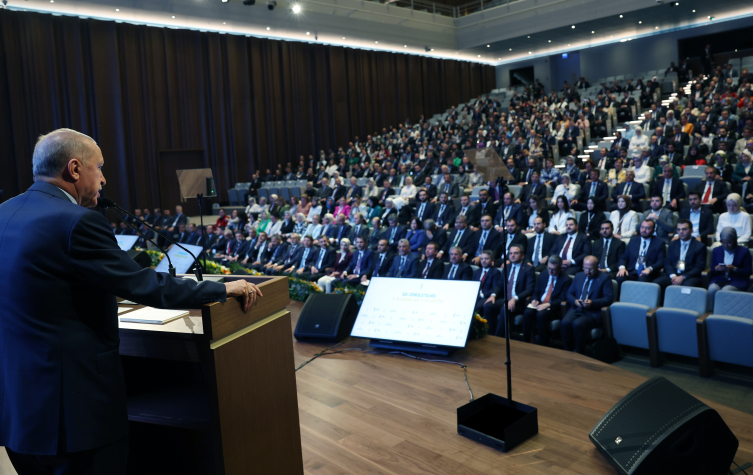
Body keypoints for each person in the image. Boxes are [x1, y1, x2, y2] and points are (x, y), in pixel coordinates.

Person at [0, 128, 260, 474]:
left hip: (18, 410)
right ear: (75, 169)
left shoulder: (4, 213)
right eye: (100, 167)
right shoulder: (77, 222)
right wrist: (222, 288)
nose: (104, 179)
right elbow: (146, 286)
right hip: (75, 413)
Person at [561, 256, 614, 353]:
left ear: (597, 267)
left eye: (590, 269)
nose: (587, 272)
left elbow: (609, 299)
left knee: (578, 324)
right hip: (577, 308)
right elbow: (569, 293)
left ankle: (579, 352)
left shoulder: (605, 278)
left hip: (593, 311)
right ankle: (567, 351)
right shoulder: (578, 276)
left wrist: (592, 303)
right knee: (565, 323)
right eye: (585, 268)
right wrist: (575, 301)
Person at [522, 255, 571, 346]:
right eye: (549, 268)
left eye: (553, 269)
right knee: (527, 313)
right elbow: (536, 292)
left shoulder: (566, 280)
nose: (550, 271)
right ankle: (526, 342)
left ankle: (542, 344)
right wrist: (535, 300)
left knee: (541, 315)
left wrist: (548, 305)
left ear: (560, 268)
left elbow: (562, 299)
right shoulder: (543, 275)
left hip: (553, 308)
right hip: (540, 304)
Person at [707, 227, 753, 311]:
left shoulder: (744, 251)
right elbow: (713, 269)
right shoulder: (717, 250)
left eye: (729, 243)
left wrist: (734, 269)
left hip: (737, 280)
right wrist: (717, 269)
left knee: (726, 290)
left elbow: (748, 271)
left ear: (734, 240)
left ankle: (724, 312)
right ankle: (711, 311)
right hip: (720, 279)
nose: (726, 245)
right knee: (712, 289)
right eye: (723, 242)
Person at [653, 220, 706, 289]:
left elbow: (699, 267)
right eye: (678, 229)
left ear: (691, 231)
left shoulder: (699, 246)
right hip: (673, 275)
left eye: (684, 229)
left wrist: (682, 277)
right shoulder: (672, 244)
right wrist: (673, 276)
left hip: (689, 276)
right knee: (656, 284)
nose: (681, 232)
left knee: (687, 286)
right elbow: (667, 263)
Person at [496, 244, 535, 337]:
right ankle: (487, 334)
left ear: (522, 256)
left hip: (519, 302)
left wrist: (515, 298)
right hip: (505, 299)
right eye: (510, 253)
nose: (512, 255)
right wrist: (493, 294)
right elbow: (500, 284)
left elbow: (530, 289)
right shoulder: (507, 267)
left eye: (516, 253)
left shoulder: (528, 269)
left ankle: (497, 339)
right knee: (488, 306)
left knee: (504, 310)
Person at [616, 220, 666, 284]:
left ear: (653, 230)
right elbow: (624, 257)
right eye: (642, 227)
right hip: (632, 271)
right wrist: (622, 268)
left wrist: (650, 269)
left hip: (648, 273)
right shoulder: (633, 241)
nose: (644, 230)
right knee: (620, 278)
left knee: (642, 280)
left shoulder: (659, 243)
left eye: (647, 228)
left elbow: (661, 261)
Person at [473, 250, 504, 332]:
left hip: (486, 297)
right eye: (482, 258)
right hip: (475, 296)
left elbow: (494, 289)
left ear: (492, 260)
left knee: (476, 307)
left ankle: (478, 331)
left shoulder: (495, 272)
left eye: (486, 258)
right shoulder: (477, 272)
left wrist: (482, 295)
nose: (483, 261)